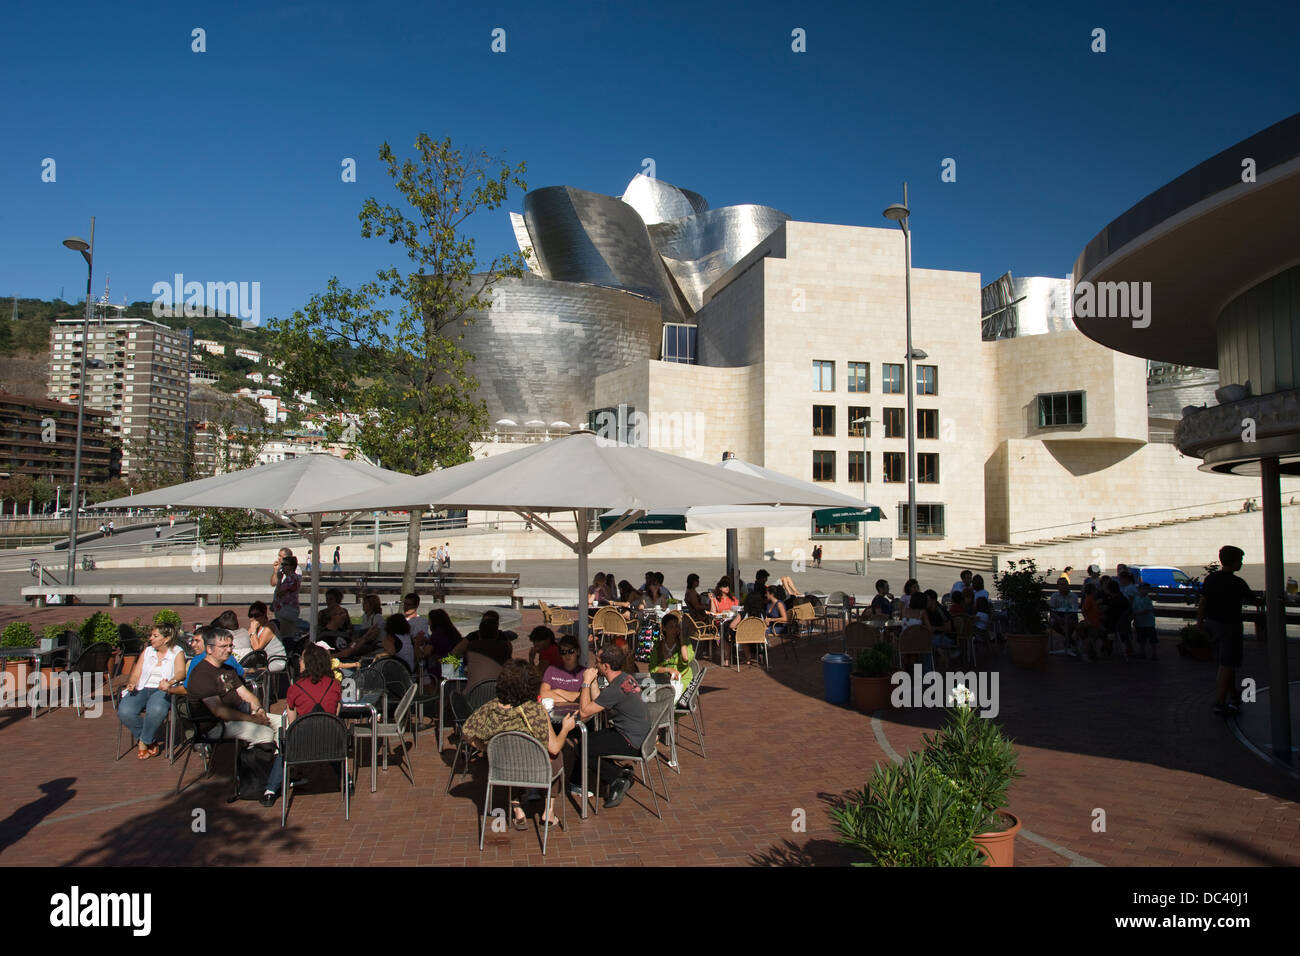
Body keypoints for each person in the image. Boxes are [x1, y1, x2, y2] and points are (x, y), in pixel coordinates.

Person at [464, 659, 574, 828]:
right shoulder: (535, 711)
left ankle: (517, 810)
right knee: (559, 754)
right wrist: (565, 729)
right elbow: (554, 747)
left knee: (513, 757)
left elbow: (467, 732)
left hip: (504, 768)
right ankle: (548, 811)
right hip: (536, 769)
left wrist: (487, 749)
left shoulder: (490, 708)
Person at [187, 627, 285, 807]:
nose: (229, 650)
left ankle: (277, 775)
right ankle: (258, 783)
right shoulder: (201, 674)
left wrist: (259, 709)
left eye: (231, 645)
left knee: (285, 724)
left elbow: (245, 694)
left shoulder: (227, 669)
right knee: (263, 733)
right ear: (209, 649)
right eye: (223, 646)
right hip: (215, 725)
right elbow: (219, 711)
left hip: (241, 716)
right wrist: (254, 720)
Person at [576, 645, 650, 808]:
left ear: (606, 666)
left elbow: (583, 713)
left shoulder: (615, 688)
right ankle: (617, 774)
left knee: (583, 747)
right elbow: (600, 701)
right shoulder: (625, 677)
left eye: (598, 662)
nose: (595, 665)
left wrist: (586, 683)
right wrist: (594, 682)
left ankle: (617, 777)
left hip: (631, 741)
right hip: (639, 735)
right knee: (589, 740)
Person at [283, 643, 349, 790]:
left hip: (303, 743)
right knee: (329, 739)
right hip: (331, 740)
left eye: (301, 659)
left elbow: (292, 724)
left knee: (284, 747)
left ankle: (271, 788)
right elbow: (335, 715)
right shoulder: (335, 685)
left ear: (307, 663)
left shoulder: (294, 689)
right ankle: (346, 780)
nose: (299, 662)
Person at [117, 624, 186, 760]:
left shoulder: (177, 652)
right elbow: (136, 673)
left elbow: (181, 672)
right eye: (151, 635)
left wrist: (170, 682)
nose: (150, 639)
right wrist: (132, 683)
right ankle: (150, 739)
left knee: (156, 709)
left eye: (155, 636)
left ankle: (143, 742)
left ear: (166, 638)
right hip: (142, 687)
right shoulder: (148, 651)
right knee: (124, 711)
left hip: (162, 689)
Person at [1199, 545, 1252, 715]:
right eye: (1240, 560)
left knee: (1225, 662)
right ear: (1235, 561)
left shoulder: (1211, 579)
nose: (1242, 563)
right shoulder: (1237, 583)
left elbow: (1203, 602)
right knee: (1227, 664)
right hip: (1230, 625)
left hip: (1212, 623)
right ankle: (1220, 701)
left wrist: (1200, 622)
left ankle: (1232, 693)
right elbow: (1254, 600)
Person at [648, 613, 695, 701]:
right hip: (664, 682)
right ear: (664, 628)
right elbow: (652, 668)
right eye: (671, 627)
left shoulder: (685, 644)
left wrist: (681, 641)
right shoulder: (658, 646)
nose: (675, 630)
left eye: (676, 626)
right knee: (650, 700)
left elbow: (685, 658)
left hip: (683, 680)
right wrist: (669, 670)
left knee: (668, 701)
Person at [540, 634, 585, 704]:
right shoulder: (551, 670)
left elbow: (583, 696)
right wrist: (570, 699)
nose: (567, 655)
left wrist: (558, 691)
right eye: (563, 652)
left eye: (571, 651)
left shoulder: (584, 672)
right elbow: (543, 694)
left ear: (578, 651)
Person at [336, 593, 382, 659]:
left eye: (365, 603)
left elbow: (372, 637)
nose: (363, 605)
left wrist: (358, 641)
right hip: (363, 641)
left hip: (375, 645)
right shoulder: (365, 616)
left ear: (372, 605)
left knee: (354, 648)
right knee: (351, 645)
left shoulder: (377, 617)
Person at [246, 601, 287, 672]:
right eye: (251, 616)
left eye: (256, 616)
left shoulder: (269, 627)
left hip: (275, 660)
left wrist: (253, 630)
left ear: (264, 614)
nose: (253, 619)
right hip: (262, 660)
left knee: (251, 671)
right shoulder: (254, 628)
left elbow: (257, 648)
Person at [708, 576, 739, 666]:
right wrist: (712, 600)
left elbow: (737, 611)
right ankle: (727, 658)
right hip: (721, 623)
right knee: (725, 632)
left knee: (727, 632)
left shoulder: (733, 599)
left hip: (732, 622)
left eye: (728, 586)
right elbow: (713, 613)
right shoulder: (717, 599)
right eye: (725, 586)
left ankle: (728, 657)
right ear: (720, 588)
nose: (727, 588)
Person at [270, 551, 301, 633]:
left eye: (285, 565)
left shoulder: (291, 578)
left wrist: (280, 579)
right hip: (285, 609)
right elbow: (273, 583)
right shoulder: (290, 577)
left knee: (285, 634)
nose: (282, 566)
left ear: (291, 566)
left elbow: (279, 593)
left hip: (287, 610)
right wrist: (276, 571)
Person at [1048, 578, 1080, 647]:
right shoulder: (1054, 596)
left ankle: (1068, 640)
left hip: (1070, 615)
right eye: (1061, 584)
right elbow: (1051, 609)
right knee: (1053, 622)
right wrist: (1057, 617)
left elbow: (1075, 609)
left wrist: (1068, 617)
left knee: (1072, 622)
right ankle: (1070, 640)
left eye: (1065, 584)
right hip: (1057, 616)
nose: (1063, 586)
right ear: (1058, 586)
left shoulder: (1073, 596)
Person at [1131, 581, 1158, 660]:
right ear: (1139, 589)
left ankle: (1154, 653)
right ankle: (1142, 652)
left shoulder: (1147, 599)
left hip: (1148, 622)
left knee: (1152, 639)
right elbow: (1134, 608)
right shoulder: (1137, 598)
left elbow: (1146, 611)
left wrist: (1136, 614)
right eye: (1143, 589)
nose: (1145, 591)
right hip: (1140, 622)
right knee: (1141, 639)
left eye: (1147, 589)